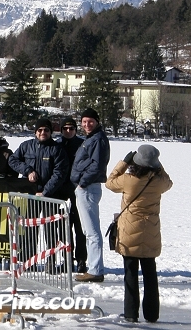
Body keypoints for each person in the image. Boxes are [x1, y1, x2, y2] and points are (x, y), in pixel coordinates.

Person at [106, 145, 173, 323]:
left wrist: (123, 162)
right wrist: (159, 166)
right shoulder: (159, 182)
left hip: (129, 230)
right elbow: (169, 182)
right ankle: (152, 314)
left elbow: (110, 182)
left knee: (130, 273)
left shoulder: (129, 179)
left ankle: (131, 314)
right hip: (151, 230)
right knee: (150, 274)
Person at [8, 118, 69, 271]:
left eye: (46, 130)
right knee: (30, 228)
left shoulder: (57, 149)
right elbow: (13, 160)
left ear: (51, 132)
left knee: (50, 229)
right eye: (40, 130)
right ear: (35, 132)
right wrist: (27, 170)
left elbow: (59, 173)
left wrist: (46, 192)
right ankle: (30, 260)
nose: (43, 133)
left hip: (50, 196)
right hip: (30, 195)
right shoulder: (26, 146)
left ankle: (50, 260)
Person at [71, 108, 110, 282]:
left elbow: (97, 165)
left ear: (97, 121)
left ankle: (95, 270)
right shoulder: (91, 138)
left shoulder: (98, 140)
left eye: (90, 121)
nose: (87, 124)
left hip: (88, 188)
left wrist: (82, 182)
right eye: (84, 121)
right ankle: (94, 267)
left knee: (92, 231)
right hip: (84, 188)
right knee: (88, 231)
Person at [58, 117, 87, 273]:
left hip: (79, 189)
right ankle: (66, 258)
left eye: (71, 129)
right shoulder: (57, 145)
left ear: (76, 130)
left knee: (80, 226)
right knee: (63, 227)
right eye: (65, 129)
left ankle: (81, 259)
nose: (68, 131)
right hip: (61, 189)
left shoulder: (82, 145)